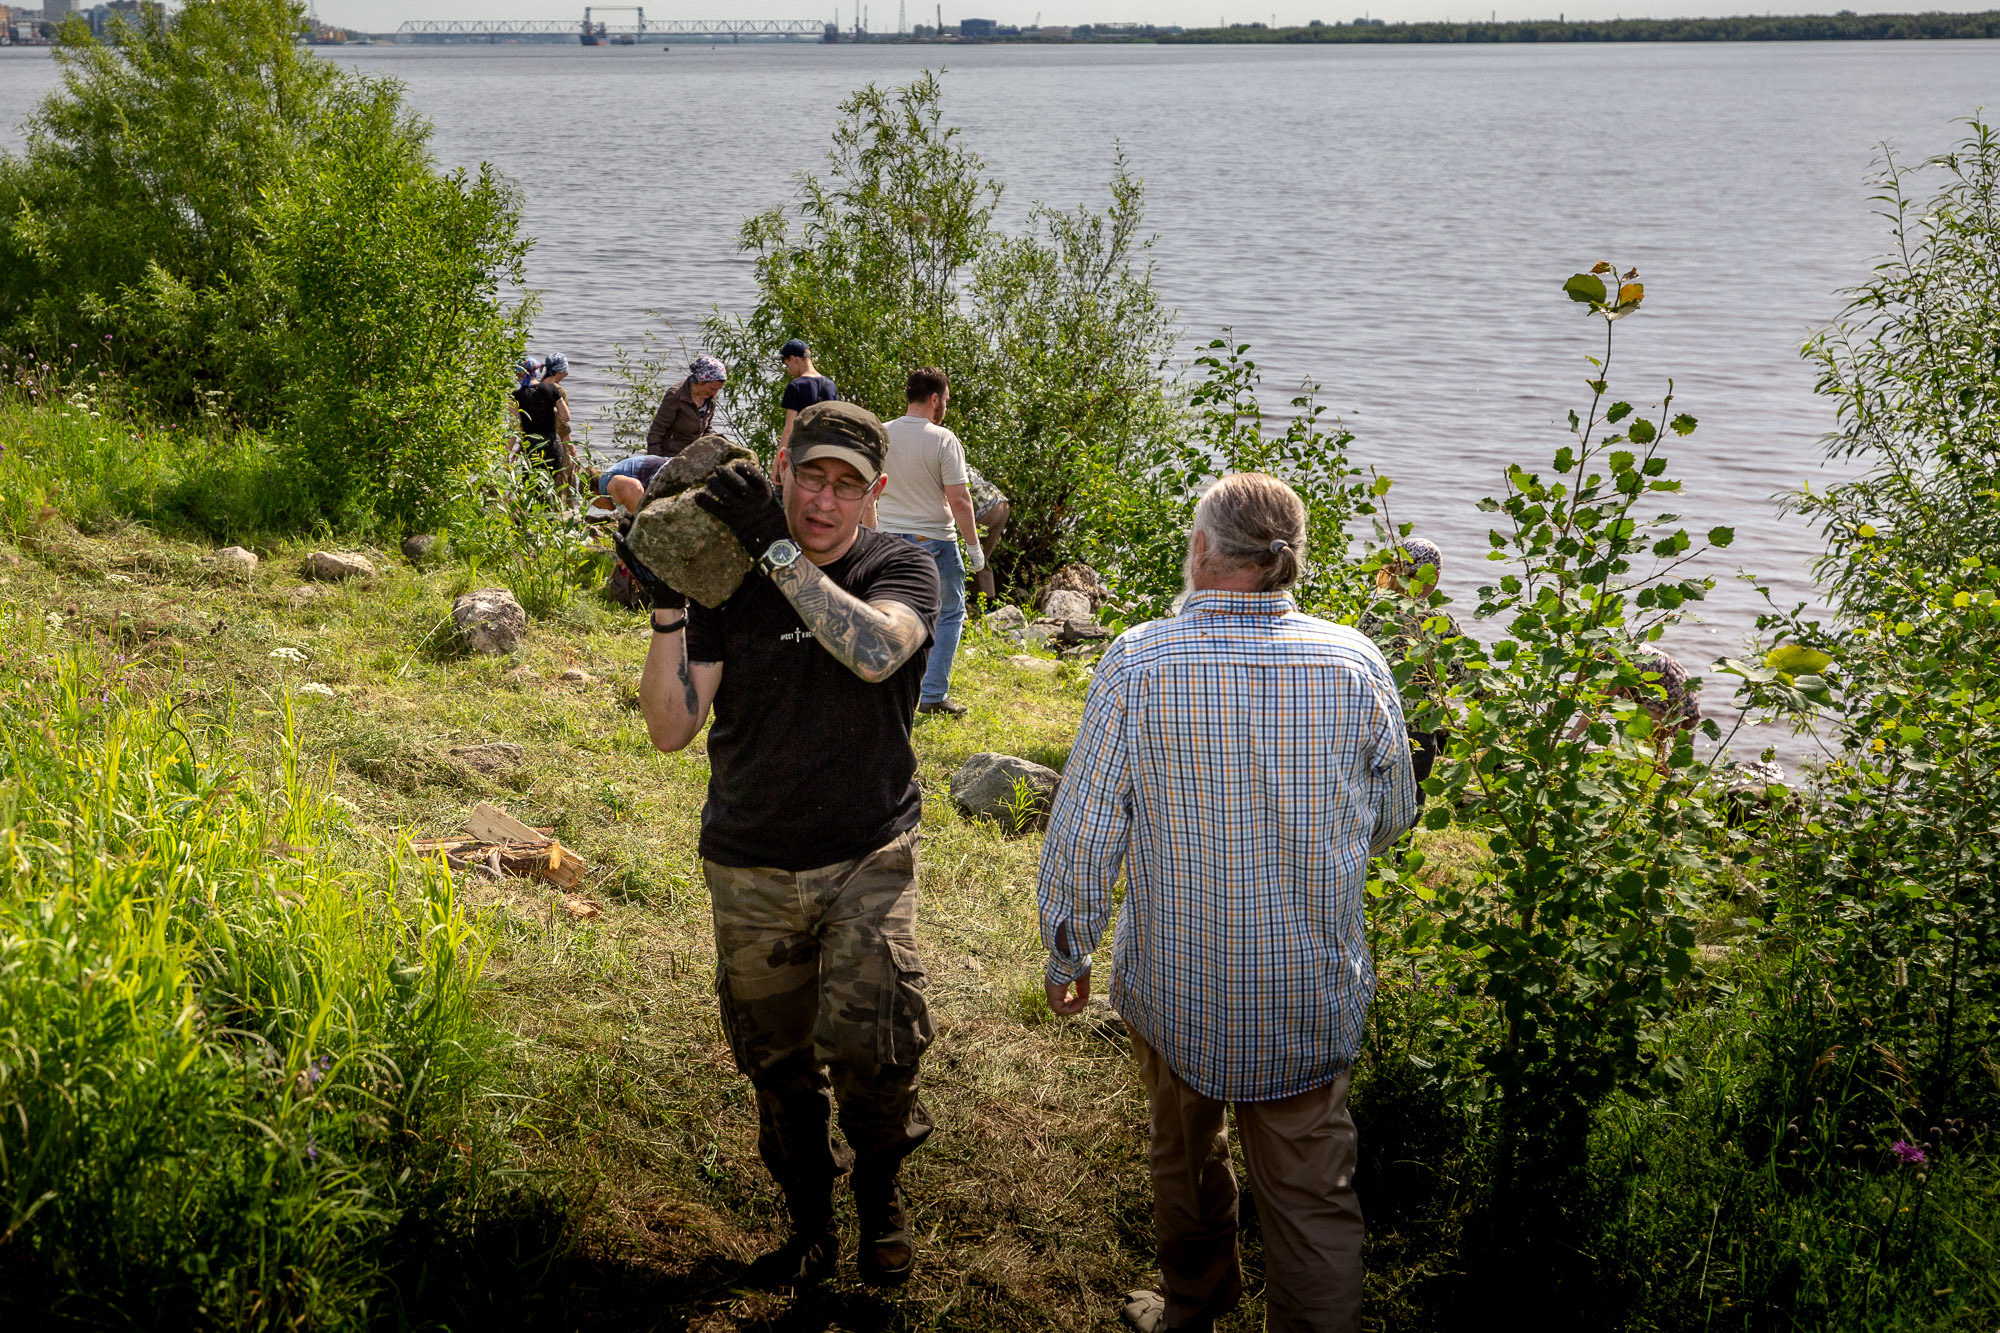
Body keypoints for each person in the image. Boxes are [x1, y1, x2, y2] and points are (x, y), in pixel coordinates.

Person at [1036, 473, 1419, 1333]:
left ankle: (1194, 1301)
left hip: (1178, 986)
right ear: (1289, 559)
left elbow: (1085, 833)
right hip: (1307, 993)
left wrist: (1070, 952)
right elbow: (1392, 817)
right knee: (1313, 1199)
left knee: (1182, 1151)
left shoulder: (1139, 660)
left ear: (1205, 551)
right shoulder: (1356, 661)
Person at [615, 400, 945, 1290]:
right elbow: (671, 728)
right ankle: (810, 1227)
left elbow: (875, 652)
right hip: (750, 862)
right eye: (810, 477)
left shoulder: (903, 567)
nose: (824, 501)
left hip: (865, 855)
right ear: (779, 465)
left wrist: (776, 551)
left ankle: (881, 1203)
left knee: (878, 1048)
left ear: (874, 493)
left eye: (846, 485)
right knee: (777, 1066)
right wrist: (668, 608)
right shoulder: (736, 575)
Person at [873, 367, 985, 717]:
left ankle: (884, 688)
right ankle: (933, 695)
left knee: (892, 615)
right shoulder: (942, 439)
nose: (946, 407)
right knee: (950, 613)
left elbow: (867, 491)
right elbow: (960, 500)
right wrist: (974, 548)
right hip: (934, 541)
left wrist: (871, 535)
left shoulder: (882, 434)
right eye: (946, 400)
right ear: (934, 399)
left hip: (888, 539)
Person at [512, 352, 576, 487]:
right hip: (553, 444)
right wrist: (552, 408)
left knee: (531, 487)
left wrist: (510, 451)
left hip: (531, 445)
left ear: (519, 374)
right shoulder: (552, 389)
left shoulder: (516, 396)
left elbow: (516, 427)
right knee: (551, 487)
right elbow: (565, 418)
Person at [646, 354, 728, 458]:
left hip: (694, 457)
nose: (715, 393)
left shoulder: (710, 399)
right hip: (670, 456)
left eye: (718, 389)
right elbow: (656, 432)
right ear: (700, 381)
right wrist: (653, 461)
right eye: (712, 388)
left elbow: (707, 429)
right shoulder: (676, 396)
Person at [778, 338, 839, 453]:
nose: (788, 370)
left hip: (803, 451)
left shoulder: (795, 386)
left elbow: (789, 429)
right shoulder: (831, 385)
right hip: (826, 450)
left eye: (787, 365)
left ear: (793, 359)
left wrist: (777, 462)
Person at [964, 464, 1010, 602]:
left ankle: (965, 604)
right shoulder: (959, 459)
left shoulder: (945, 463)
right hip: (1002, 503)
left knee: (963, 555)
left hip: (984, 508)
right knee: (982, 558)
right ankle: (989, 605)